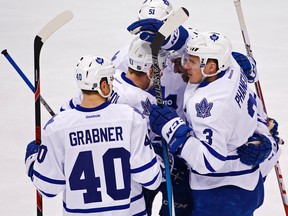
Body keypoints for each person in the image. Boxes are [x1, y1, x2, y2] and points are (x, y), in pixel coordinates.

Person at [148, 31, 282, 216]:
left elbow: (209, 161)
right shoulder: (231, 65)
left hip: (223, 192)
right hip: (249, 181)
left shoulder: (208, 106)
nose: (185, 65)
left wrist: (172, 129)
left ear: (211, 67)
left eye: (192, 62)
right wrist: (176, 37)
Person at [24, 55, 163, 215]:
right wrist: (158, 158)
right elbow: (151, 180)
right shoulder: (131, 118)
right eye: (111, 80)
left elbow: (48, 188)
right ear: (103, 85)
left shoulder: (57, 127)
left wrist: (33, 161)